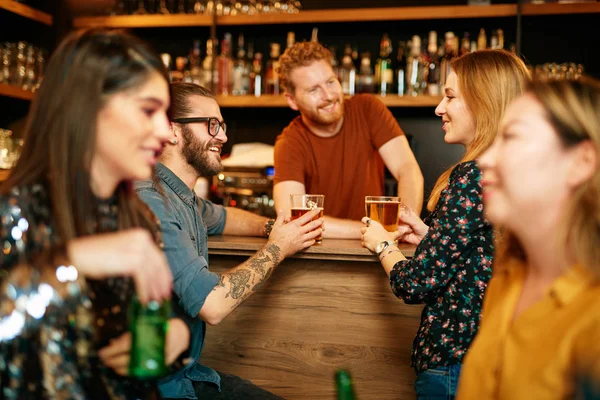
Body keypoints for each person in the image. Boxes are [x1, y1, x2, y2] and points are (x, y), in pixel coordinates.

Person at [0, 28, 191, 398]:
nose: (165, 131)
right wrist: (75, 260)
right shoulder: (15, 212)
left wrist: (175, 336)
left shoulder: (137, 218)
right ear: (88, 107)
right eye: (148, 110)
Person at [135, 81, 323, 400]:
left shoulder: (181, 197)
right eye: (212, 125)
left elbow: (221, 216)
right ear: (171, 131)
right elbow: (213, 305)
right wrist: (279, 246)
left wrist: (275, 226)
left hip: (183, 375)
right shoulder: (150, 204)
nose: (223, 136)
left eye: (221, 125)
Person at [360, 50, 530, 399]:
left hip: (457, 362)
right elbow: (488, 254)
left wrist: (382, 244)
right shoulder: (512, 171)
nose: (439, 108)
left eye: (450, 96)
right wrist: (430, 234)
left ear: (485, 103)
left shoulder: (474, 176)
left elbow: (416, 284)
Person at [456, 78, 600, 399]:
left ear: (582, 161)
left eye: (511, 137)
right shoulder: (507, 279)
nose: (484, 160)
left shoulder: (593, 317)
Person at [273, 41, 424, 239]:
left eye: (330, 82)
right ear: (292, 100)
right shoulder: (289, 142)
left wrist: (404, 222)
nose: (328, 96)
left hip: (379, 250)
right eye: (313, 90)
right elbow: (293, 219)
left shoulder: (368, 109)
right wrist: (379, 230)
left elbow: (408, 169)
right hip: (320, 256)